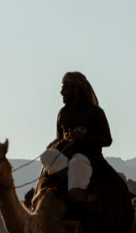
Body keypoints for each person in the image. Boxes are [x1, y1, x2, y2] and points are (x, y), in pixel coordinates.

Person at [40, 71, 114, 201]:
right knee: (46, 156)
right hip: (66, 156)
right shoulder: (62, 114)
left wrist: (84, 137)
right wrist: (53, 145)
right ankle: (65, 177)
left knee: (77, 160)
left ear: (75, 90)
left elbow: (107, 139)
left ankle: (77, 192)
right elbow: (59, 137)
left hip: (88, 157)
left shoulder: (95, 112)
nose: (61, 92)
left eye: (64, 88)